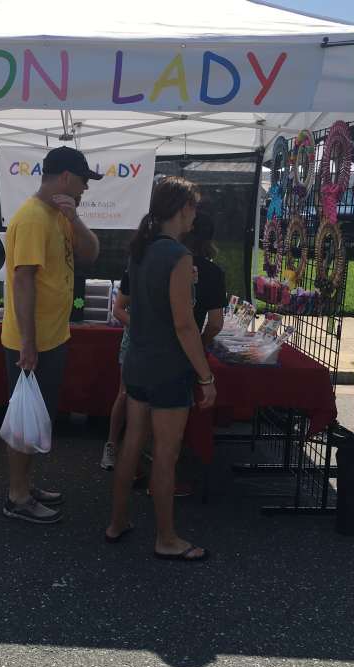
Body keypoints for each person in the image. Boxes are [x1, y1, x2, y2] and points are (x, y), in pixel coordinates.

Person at [105, 177, 216, 562]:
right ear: (182, 207)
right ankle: (166, 538)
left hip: (137, 362)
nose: (195, 214)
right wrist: (206, 376)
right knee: (165, 456)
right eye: (194, 206)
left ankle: (117, 522)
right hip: (168, 369)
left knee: (132, 444)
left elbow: (145, 304)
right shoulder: (178, 256)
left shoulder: (142, 249)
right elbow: (185, 325)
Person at [1, 146, 101, 524]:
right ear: (64, 177)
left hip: (51, 337)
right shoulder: (32, 219)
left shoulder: (59, 215)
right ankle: (17, 496)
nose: (85, 189)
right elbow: (23, 281)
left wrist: (75, 219)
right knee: (24, 420)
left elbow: (91, 252)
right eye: (83, 181)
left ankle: (25, 485)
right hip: (33, 341)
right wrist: (28, 343)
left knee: (36, 416)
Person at [100, 269, 130, 471]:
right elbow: (118, 309)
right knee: (125, 394)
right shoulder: (135, 269)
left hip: (162, 347)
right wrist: (145, 328)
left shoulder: (175, 266)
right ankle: (111, 445)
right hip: (135, 343)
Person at [183, 212, 227, 347]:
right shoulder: (213, 272)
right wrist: (201, 344)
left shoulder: (166, 261)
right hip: (188, 350)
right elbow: (215, 324)